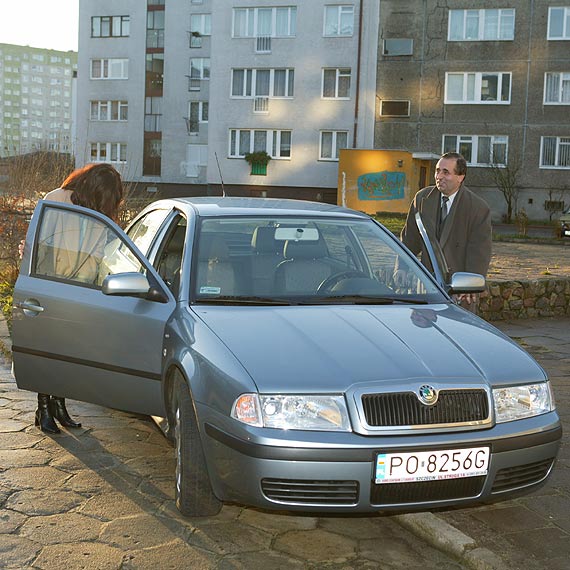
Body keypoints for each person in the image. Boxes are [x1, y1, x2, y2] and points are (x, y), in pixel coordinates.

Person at [34, 163, 124, 434]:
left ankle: (59, 406)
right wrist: (41, 291)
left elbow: (105, 256)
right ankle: (44, 407)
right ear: (91, 187)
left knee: (67, 354)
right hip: (51, 288)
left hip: (81, 293)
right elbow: (39, 246)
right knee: (47, 352)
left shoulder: (101, 213)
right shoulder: (55, 200)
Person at [398, 152, 492, 311]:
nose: (439, 176)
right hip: (426, 291)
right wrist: (401, 267)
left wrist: (470, 285)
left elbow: (479, 252)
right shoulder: (422, 199)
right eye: (437, 170)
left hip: (459, 293)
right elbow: (408, 240)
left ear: (460, 177)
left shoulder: (477, 208)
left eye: (445, 172)